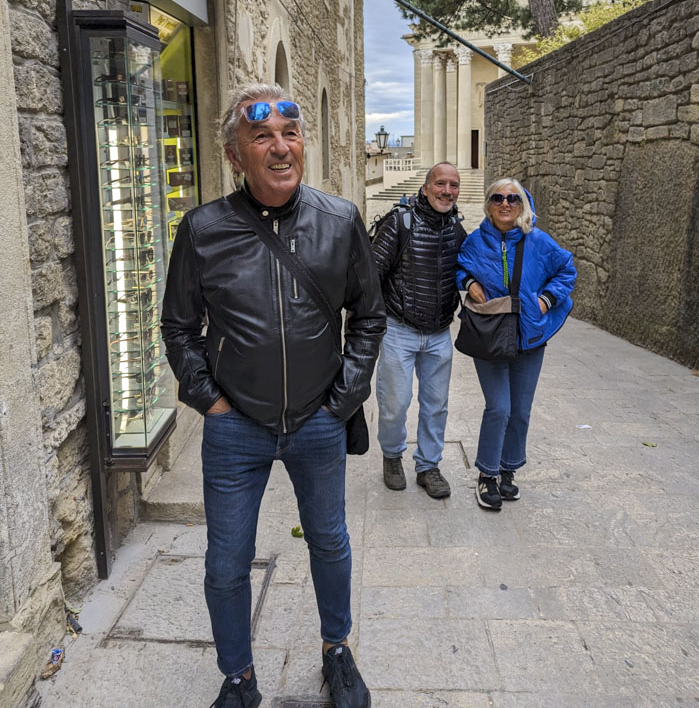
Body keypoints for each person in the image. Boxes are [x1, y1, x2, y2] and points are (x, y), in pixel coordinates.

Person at [161, 83, 386, 708]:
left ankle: (336, 650)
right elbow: (179, 327)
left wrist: (342, 400)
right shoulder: (203, 229)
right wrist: (210, 399)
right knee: (225, 564)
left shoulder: (340, 220)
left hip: (319, 420)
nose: (281, 147)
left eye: (291, 133)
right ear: (237, 155)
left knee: (330, 542)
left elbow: (369, 316)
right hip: (236, 428)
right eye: (262, 136)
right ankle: (239, 678)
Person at [457, 178, 576, 510]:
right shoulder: (475, 242)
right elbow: (459, 267)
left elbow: (567, 270)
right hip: (491, 334)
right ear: (489, 204)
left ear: (523, 204)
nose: (505, 203)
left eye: (513, 198)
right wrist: (468, 282)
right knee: (499, 407)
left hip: (529, 336)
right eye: (498, 198)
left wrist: (547, 300)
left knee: (520, 411)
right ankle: (487, 475)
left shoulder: (538, 241)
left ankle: (508, 470)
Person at [372, 163, 466, 498]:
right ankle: (392, 456)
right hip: (400, 330)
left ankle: (428, 466)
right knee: (395, 403)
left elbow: (468, 270)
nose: (447, 190)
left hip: (440, 333)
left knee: (436, 404)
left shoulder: (457, 228)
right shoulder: (400, 221)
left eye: (453, 185)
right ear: (425, 188)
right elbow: (373, 272)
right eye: (440, 183)